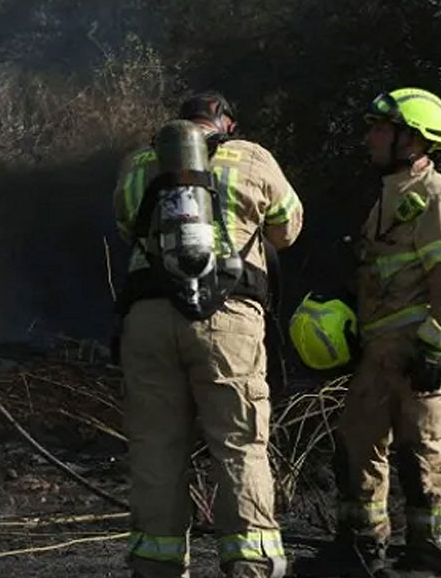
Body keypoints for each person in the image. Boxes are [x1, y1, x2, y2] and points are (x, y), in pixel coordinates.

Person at [113, 92, 304, 578]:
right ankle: (250, 562)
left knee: (155, 445)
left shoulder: (139, 163)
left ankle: (156, 563)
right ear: (227, 126)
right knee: (239, 442)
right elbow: (287, 228)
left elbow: (125, 222)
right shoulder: (253, 157)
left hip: (149, 319)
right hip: (228, 317)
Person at [293, 88, 441, 578]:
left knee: (424, 451)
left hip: (417, 351)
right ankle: (359, 548)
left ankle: (435, 553)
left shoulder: (439, 196)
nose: (369, 138)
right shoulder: (388, 198)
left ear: (411, 139)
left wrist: (437, 346)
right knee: (357, 445)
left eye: (380, 129)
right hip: (376, 353)